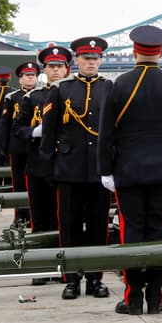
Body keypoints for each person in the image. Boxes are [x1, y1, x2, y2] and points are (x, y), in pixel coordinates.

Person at [98, 25, 162, 315]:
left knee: (132, 233)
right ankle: (156, 298)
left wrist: (105, 170)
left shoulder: (119, 84)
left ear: (134, 51)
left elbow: (106, 134)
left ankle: (132, 299)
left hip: (127, 172)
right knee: (159, 231)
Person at [40, 36, 113, 300]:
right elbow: (49, 131)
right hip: (69, 168)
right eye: (86, 58)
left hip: (99, 170)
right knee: (69, 226)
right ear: (77, 61)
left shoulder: (109, 88)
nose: (91, 63)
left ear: (100, 61)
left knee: (97, 227)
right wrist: (49, 166)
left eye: (95, 59)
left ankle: (95, 278)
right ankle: (70, 279)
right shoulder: (61, 89)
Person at [13, 44, 71, 284]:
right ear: (44, 69)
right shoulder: (33, 97)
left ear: (67, 69)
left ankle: (63, 266)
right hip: (39, 165)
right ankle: (42, 267)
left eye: (59, 66)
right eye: (51, 66)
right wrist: (33, 132)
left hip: (66, 165)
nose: (55, 70)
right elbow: (17, 129)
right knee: (40, 219)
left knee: (65, 220)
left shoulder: (74, 94)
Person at [0, 60, 40, 226]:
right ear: (20, 79)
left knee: (35, 184)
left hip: (35, 146)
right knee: (18, 183)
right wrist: (4, 147)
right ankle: (20, 216)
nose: (30, 79)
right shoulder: (12, 98)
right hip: (17, 147)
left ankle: (33, 215)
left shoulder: (42, 95)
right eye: (27, 76)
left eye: (33, 75)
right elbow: (6, 124)